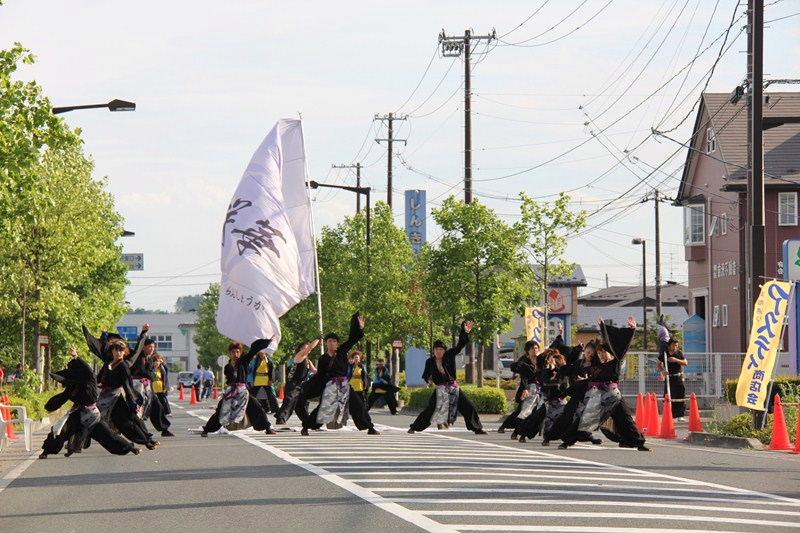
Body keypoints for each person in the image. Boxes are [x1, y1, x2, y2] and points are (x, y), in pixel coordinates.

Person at [553, 317, 649, 451]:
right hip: (598, 396)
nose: (602, 355)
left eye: (604, 352)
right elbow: (575, 370)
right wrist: (560, 373)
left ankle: (638, 443)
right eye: (599, 352)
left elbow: (620, 346)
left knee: (626, 419)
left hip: (614, 395)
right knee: (586, 419)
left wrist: (630, 330)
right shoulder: (596, 366)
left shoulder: (615, 361)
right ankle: (567, 441)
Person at [40, 348, 139, 458]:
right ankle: (46, 452)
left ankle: (130, 447)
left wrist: (76, 357)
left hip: (92, 415)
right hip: (78, 414)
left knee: (108, 436)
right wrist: (50, 406)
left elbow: (88, 371)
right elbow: (61, 398)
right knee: (59, 431)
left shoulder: (90, 382)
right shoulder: (71, 388)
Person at [301, 312, 380, 436]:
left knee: (358, 405)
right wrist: (315, 388)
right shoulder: (323, 359)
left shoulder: (342, 351)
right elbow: (320, 376)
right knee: (324, 409)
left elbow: (353, 339)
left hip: (344, 384)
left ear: (337, 343)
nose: (332, 343)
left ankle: (370, 427)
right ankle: (306, 426)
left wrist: (360, 327)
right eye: (329, 341)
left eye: (334, 341)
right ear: (326, 343)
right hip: (331, 386)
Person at [83, 325, 159, 450]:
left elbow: (127, 385)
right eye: (116, 349)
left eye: (121, 350)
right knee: (93, 418)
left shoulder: (124, 365)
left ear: (125, 352)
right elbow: (101, 351)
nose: (118, 352)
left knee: (128, 421)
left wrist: (143, 333)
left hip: (119, 397)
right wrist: (104, 335)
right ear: (112, 351)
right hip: (105, 397)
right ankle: (85, 439)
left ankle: (146, 441)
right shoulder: (108, 363)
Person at [408, 321, 486, 435]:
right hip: (440, 389)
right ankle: (414, 427)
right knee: (431, 409)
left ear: (444, 351)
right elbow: (426, 374)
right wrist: (428, 380)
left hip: (453, 387)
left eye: (441, 350)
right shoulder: (430, 361)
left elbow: (460, 345)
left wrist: (465, 332)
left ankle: (477, 428)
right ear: (434, 351)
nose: (438, 352)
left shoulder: (449, 356)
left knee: (468, 406)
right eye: (436, 350)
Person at [201, 340, 277, 437]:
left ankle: (267, 428)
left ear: (240, 353)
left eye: (238, 352)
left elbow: (253, 350)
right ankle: (206, 430)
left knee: (256, 407)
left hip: (243, 392)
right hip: (231, 392)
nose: (235, 354)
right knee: (221, 409)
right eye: (233, 352)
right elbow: (229, 380)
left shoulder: (243, 361)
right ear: (230, 353)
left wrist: (266, 341)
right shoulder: (228, 366)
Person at [498, 340, 539, 436]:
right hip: (527, 388)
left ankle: (519, 430)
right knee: (521, 411)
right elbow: (524, 377)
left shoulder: (540, 359)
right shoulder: (524, 361)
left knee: (532, 411)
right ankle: (508, 427)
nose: (534, 350)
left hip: (539, 389)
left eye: (536, 348)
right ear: (527, 350)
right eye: (532, 348)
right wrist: (525, 389)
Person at [275, 338, 320, 425]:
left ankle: (306, 419)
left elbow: (315, 371)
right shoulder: (299, 356)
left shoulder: (308, 361)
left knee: (301, 403)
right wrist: (318, 339)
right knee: (289, 400)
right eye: (305, 348)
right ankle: (280, 417)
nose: (308, 350)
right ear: (300, 349)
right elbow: (310, 347)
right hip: (293, 383)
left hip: (301, 384)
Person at [658, 338, 688, 420]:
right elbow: (658, 363)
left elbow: (685, 362)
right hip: (669, 378)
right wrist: (663, 371)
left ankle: (680, 415)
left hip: (678, 377)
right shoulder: (664, 354)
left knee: (680, 394)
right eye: (674, 345)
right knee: (669, 395)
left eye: (676, 346)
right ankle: (669, 415)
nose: (675, 347)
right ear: (669, 345)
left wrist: (676, 360)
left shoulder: (678, 353)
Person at [149, 354, 174, 437]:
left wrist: (166, 389)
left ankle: (165, 429)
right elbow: (150, 376)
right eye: (155, 361)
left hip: (160, 391)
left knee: (163, 408)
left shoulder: (162, 369)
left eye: (159, 361)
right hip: (151, 392)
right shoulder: (150, 369)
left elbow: (166, 374)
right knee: (151, 411)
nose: (157, 362)